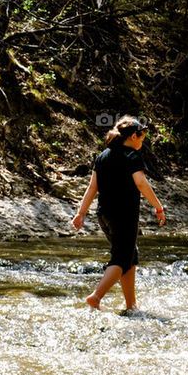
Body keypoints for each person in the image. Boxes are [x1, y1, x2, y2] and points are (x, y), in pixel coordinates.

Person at [70, 116, 166, 311]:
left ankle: (131, 305)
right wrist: (158, 207)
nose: (142, 142)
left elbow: (91, 187)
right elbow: (141, 183)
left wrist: (81, 213)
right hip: (123, 216)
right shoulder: (132, 156)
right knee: (121, 258)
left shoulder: (103, 156)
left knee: (130, 255)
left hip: (104, 215)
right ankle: (96, 297)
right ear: (132, 136)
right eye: (141, 138)